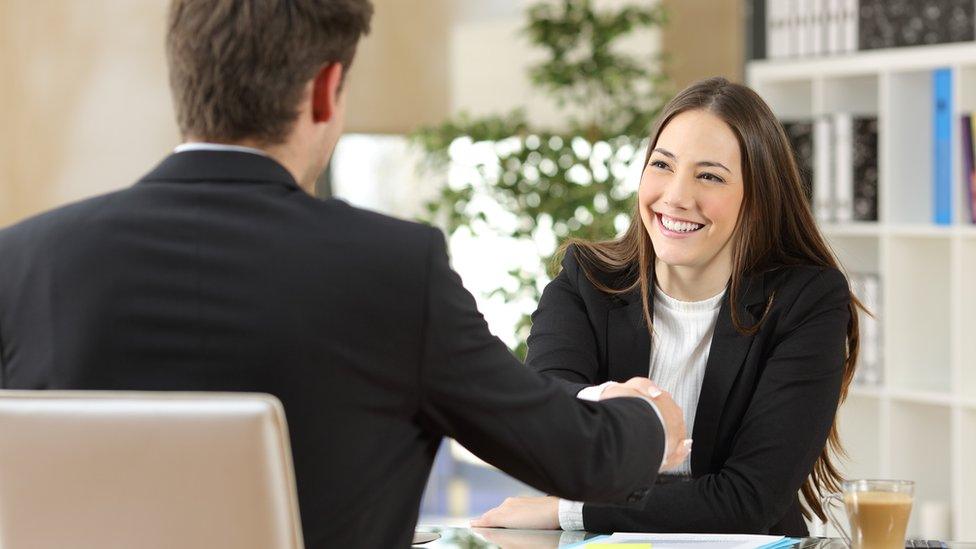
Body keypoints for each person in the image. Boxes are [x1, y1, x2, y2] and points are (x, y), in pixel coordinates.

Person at [0, 1, 691, 547]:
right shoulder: (392, 270)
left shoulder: (24, 260)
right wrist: (650, 419)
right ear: (327, 89)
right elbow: (570, 454)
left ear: (181, 77)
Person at [472, 77, 863, 537]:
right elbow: (541, 410)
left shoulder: (806, 299)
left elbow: (748, 500)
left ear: (757, 198)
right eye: (662, 165)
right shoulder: (588, 278)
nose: (676, 196)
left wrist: (567, 511)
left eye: (710, 175)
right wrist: (601, 400)